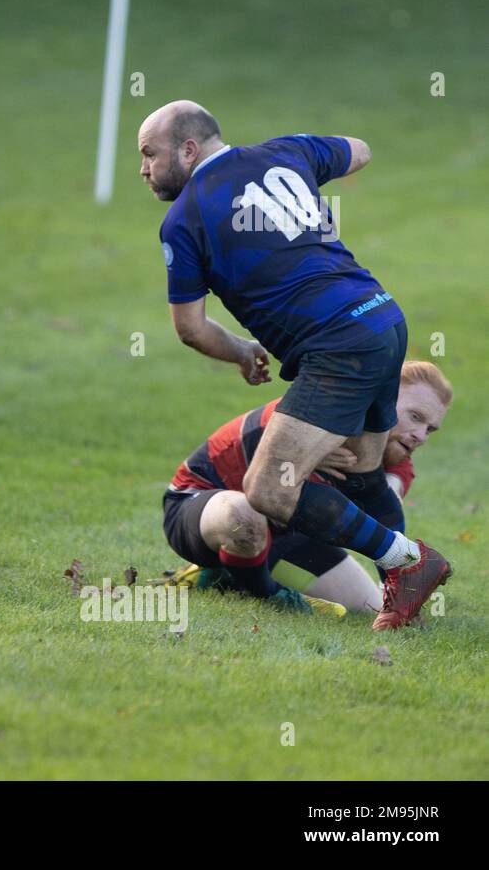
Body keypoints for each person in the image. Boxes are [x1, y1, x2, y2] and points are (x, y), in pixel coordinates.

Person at [138, 100, 450, 630]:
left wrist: (243, 351)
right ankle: (406, 594)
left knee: (267, 489)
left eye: (149, 153)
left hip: (337, 346)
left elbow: (190, 328)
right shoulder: (287, 151)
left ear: (188, 150)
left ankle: (410, 562)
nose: (144, 168)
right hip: (383, 319)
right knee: (366, 473)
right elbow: (359, 150)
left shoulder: (183, 220)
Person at [163, 362, 453, 615]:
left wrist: (398, 591)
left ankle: (227, 575)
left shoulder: (396, 458)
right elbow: (274, 446)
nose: (420, 436)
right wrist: (305, 450)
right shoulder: (320, 411)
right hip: (197, 506)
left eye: (430, 429)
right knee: (242, 514)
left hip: (285, 533)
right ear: (385, 398)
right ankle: (264, 593)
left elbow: (386, 500)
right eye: (415, 417)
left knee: (369, 608)